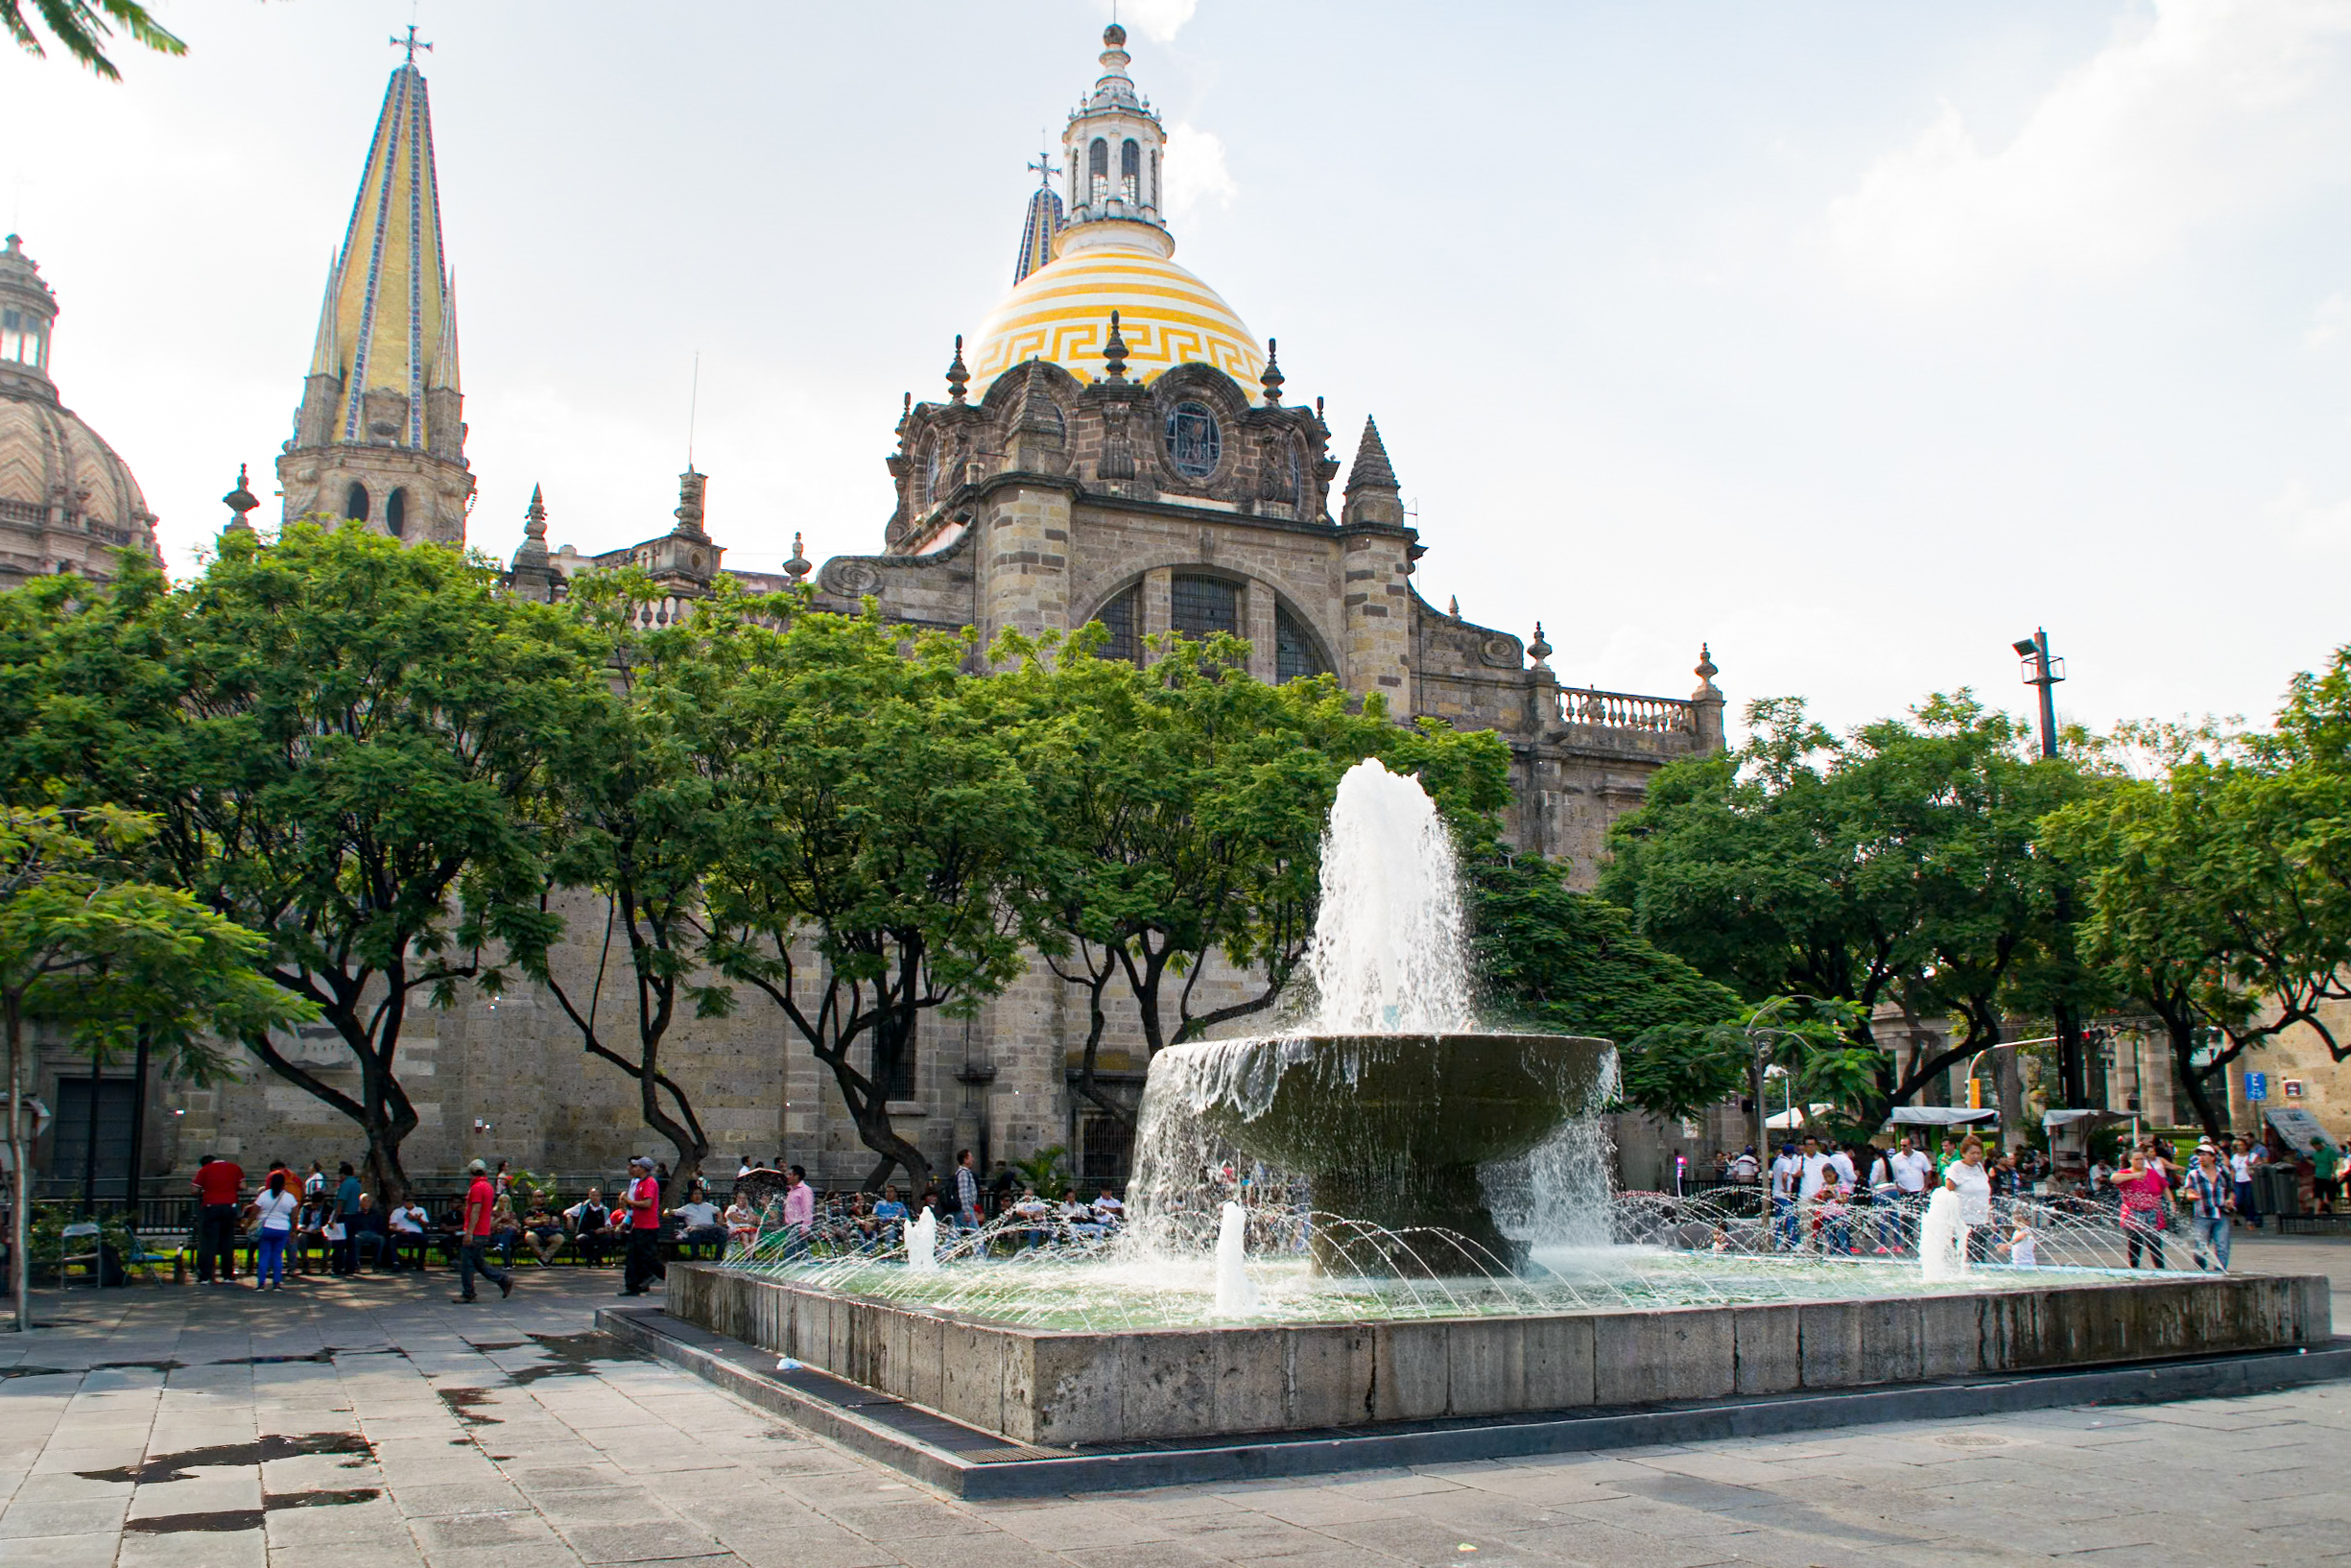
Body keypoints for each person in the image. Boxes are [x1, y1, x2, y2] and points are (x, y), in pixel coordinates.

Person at [451, 1158, 513, 1303]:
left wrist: (469, 1232)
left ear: (471, 1173)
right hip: (483, 1231)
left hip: (476, 1232)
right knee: (478, 1262)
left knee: (467, 1263)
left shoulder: (477, 1187)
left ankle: (468, 1293)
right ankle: (503, 1280)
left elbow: (476, 1211)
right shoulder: (487, 1186)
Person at [191, 1153, 246, 1285]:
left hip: (210, 1206)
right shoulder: (234, 1168)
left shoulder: (205, 1169)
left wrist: (205, 1190)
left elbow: (194, 1189)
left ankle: (206, 1275)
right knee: (227, 1241)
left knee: (209, 1242)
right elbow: (243, 1186)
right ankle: (227, 1275)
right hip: (229, 1206)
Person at [2184, 1144, 2237, 1272]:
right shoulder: (2194, 1174)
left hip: (2221, 1213)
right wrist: (2190, 1195)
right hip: (2202, 1214)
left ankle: (2220, 1272)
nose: (2201, 1157)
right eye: (2199, 1155)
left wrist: (2230, 1199)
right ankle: (2200, 1271)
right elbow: (2187, 1192)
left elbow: (2231, 1190)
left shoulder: (2222, 1172)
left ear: (2212, 1157)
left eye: (2204, 1154)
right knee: (2201, 1247)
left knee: (2222, 1246)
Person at [2115, 1149, 2170, 1269]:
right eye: (2137, 1159)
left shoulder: (2152, 1173)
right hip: (2133, 1213)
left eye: (2142, 1159)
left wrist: (2171, 1202)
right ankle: (2134, 1268)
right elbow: (2114, 1178)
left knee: (2155, 1244)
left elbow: (2164, 1186)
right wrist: (2134, 1175)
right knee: (2135, 1243)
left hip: (2152, 1213)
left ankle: (2161, 1270)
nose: (2140, 1161)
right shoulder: (2125, 1173)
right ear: (2130, 1160)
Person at [619, 1156, 666, 1295]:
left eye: (637, 1166)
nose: (634, 1168)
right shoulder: (640, 1182)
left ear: (644, 1169)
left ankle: (666, 1276)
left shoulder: (649, 1183)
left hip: (648, 1226)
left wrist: (628, 1200)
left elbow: (647, 1203)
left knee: (648, 1257)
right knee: (632, 1256)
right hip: (638, 1225)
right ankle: (632, 1285)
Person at [1943, 1137, 1994, 1263]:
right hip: (1963, 1222)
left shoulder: (1980, 1168)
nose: (1976, 1156)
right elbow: (1948, 1192)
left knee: (1979, 1258)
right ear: (1964, 1153)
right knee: (1964, 1259)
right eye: (1972, 1153)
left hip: (1981, 1220)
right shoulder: (1957, 1167)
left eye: (1978, 1153)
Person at [249, 1168, 300, 1292]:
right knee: (278, 1256)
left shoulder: (264, 1195)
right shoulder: (289, 1197)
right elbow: (294, 1215)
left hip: (266, 1228)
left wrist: (249, 1224)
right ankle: (277, 1283)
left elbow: (254, 1211)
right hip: (282, 1229)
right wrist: (293, 1230)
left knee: (264, 1256)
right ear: (284, 1184)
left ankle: (261, 1283)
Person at [330, 1162, 363, 1275]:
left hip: (344, 1216)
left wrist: (333, 1219)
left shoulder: (345, 1185)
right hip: (354, 1216)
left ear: (343, 1174)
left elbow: (340, 1202)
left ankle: (337, 1268)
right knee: (351, 1244)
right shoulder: (357, 1184)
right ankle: (350, 1268)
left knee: (339, 1244)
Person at [565, 1188, 612, 1266]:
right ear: (589, 1196)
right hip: (584, 1232)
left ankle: (592, 1257)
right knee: (582, 1238)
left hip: (598, 1233)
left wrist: (604, 1229)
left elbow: (608, 1224)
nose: (595, 1197)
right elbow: (567, 1211)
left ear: (600, 1197)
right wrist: (569, 1217)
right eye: (593, 1195)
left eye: (597, 1195)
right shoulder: (582, 1206)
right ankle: (594, 1258)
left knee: (607, 1238)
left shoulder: (605, 1209)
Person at [1769, 1143, 1802, 1250]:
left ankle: (1779, 1243)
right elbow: (1785, 1176)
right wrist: (1786, 1189)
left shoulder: (1777, 1161)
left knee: (1779, 1219)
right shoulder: (1787, 1162)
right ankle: (1793, 1243)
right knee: (1790, 1218)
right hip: (1783, 1195)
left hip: (1775, 1193)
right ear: (1791, 1154)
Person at [674, 1184, 725, 1254]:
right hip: (696, 1229)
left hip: (710, 1229)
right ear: (691, 1196)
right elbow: (673, 1212)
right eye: (695, 1194)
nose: (697, 1196)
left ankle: (718, 1257)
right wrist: (666, 1211)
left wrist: (720, 1219)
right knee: (694, 1231)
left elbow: (718, 1211)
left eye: (699, 1194)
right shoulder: (687, 1208)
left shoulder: (708, 1206)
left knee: (723, 1232)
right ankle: (696, 1256)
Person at [349, 1192, 392, 1272]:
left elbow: (381, 1226)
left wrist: (380, 1232)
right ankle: (356, 1265)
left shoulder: (376, 1213)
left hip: (373, 1234)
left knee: (380, 1239)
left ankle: (376, 1265)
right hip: (359, 1234)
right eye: (364, 1200)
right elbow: (352, 1227)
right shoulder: (355, 1213)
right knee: (355, 1239)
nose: (366, 1203)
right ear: (360, 1202)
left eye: (368, 1201)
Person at [780, 1165, 815, 1257]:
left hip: (798, 1226)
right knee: (803, 1251)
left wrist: (805, 1227)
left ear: (797, 1176)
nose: (787, 1176)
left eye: (790, 1174)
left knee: (789, 1251)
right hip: (790, 1226)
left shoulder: (805, 1190)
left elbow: (808, 1209)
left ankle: (788, 1268)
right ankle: (810, 1266)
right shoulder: (791, 1190)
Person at [389, 1196, 431, 1271]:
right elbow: (392, 1226)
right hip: (402, 1233)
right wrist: (399, 1230)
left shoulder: (420, 1210)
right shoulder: (397, 1211)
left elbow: (425, 1226)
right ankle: (395, 1263)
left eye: (411, 1201)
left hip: (416, 1233)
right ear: (403, 1201)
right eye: (407, 1201)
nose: (409, 1203)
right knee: (393, 1239)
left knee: (424, 1238)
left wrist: (419, 1219)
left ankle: (420, 1263)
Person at [2229, 1136, 2261, 1230]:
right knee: (2238, 1202)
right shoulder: (2235, 1157)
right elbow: (2233, 1170)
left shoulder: (2251, 1156)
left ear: (2246, 1146)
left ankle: (2250, 1220)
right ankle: (2246, 1215)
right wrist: (2231, 1181)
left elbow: (2260, 1165)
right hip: (2238, 1181)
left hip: (2249, 1181)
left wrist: (2252, 1166)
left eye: (2241, 1145)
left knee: (2249, 1201)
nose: (2239, 1147)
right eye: (2238, 1145)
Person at [523, 1198, 567, 1265]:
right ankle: (547, 1259)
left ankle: (544, 1259)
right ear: (534, 1198)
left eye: (543, 1196)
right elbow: (528, 1222)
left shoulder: (550, 1209)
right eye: (539, 1196)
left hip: (550, 1232)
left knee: (560, 1238)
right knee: (529, 1237)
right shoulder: (530, 1210)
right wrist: (541, 1222)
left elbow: (556, 1222)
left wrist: (551, 1220)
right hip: (535, 1232)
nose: (542, 1198)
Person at [954, 1149, 982, 1231]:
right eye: (971, 1157)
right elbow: (963, 1192)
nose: (973, 1159)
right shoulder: (963, 1173)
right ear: (965, 1160)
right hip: (966, 1208)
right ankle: (979, 1245)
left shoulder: (965, 1172)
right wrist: (966, 1210)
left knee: (954, 1234)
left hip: (962, 1209)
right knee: (976, 1234)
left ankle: (946, 1244)